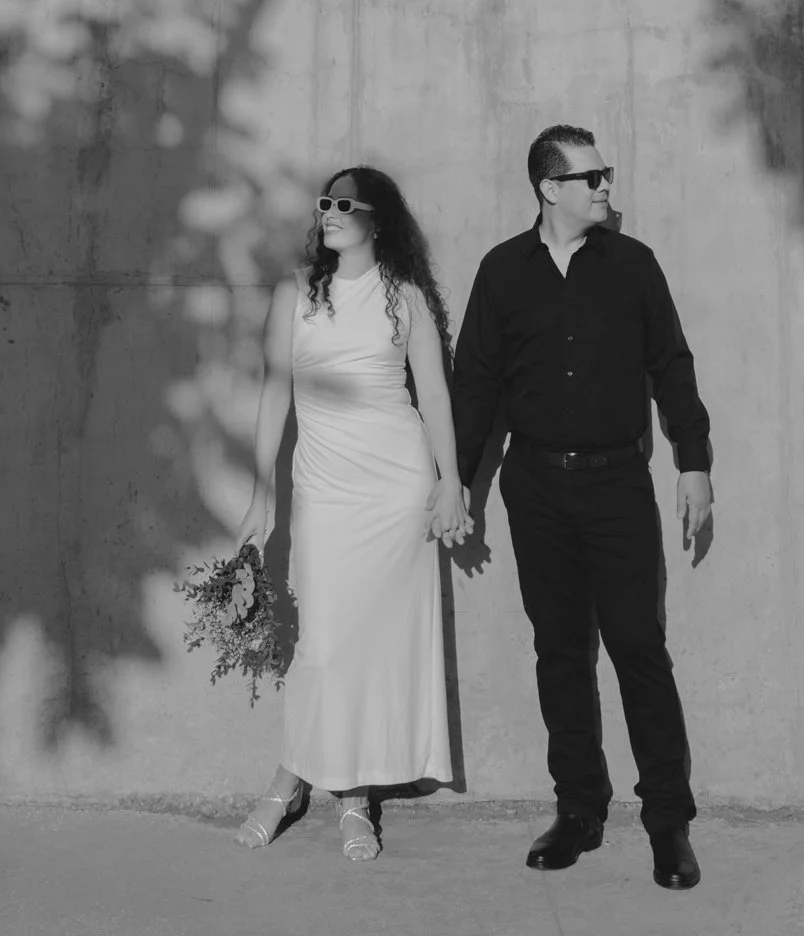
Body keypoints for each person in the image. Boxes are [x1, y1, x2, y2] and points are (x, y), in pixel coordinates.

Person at [450, 124, 714, 889]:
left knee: (637, 646)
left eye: (605, 174)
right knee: (560, 651)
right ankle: (578, 810)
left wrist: (692, 463)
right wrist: (456, 483)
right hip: (533, 485)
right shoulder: (502, 272)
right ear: (548, 187)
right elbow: (475, 384)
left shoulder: (633, 266)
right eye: (590, 176)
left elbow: (671, 364)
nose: (605, 187)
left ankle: (667, 821)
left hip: (615, 485)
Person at [232, 165, 470, 861]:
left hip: (396, 488)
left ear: (376, 220)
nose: (328, 213)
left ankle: (355, 797)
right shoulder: (296, 294)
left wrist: (450, 482)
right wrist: (261, 492)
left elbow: (433, 398)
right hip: (325, 489)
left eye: (344, 204)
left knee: (368, 645)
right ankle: (289, 782)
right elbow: (275, 390)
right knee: (323, 643)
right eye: (324, 204)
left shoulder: (405, 299)